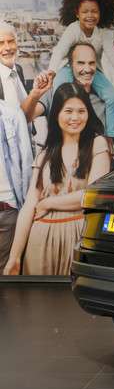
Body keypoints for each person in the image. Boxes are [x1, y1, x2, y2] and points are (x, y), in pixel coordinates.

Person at [3, 83, 110, 276]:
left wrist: (49, 203)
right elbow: (29, 206)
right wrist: (15, 257)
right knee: (37, 295)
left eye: (81, 111)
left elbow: (93, 195)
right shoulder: (45, 154)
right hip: (39, 243)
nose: (75, 117)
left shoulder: (98, 144)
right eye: (68, 111)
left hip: (79, 240)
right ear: (56, 114)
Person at [46, 0, 114, 137]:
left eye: (94, 11)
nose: (90, 15)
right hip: (68, 68)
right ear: (77, 13)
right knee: (59, 94)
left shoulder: (102, 33)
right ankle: (56, 135)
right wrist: (52, 72)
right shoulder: (73, 29)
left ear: (101, 12)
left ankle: (111, 137)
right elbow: (59, 51)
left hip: (93, 71)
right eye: (85, 11)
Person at [34, 43, 114, 134]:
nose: (87, 69)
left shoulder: (106, 97)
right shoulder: (54, 91)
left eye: (91, 63)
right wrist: (35, 94)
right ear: (70, 65)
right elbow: (26, 116)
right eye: (80, 63)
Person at [0, 100, 33, 273]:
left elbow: (26, 162)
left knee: (6, 272)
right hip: (9, 209)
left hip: (8, 208)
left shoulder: (12, 114)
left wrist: (26, 208)